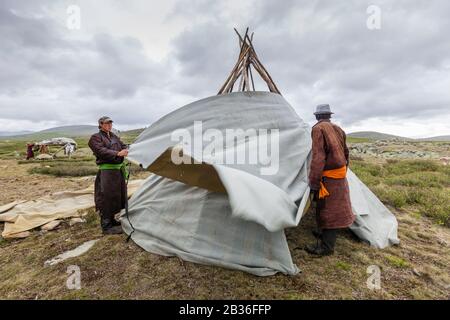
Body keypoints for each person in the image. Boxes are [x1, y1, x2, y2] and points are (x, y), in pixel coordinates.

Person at [306, 104, 355, 256]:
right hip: (339, 176)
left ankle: (327, 248)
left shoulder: (317, 129)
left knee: (329, 210)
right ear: (329, 115)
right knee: (334, 208)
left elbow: (318, 158)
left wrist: (314, 182)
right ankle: (324, 235)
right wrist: (342, 173)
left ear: (316, 116)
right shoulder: (338, 129)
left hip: (328, 177)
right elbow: (346, 153)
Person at [88, 116, 129, 235]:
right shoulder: (95, 138)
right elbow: (100, 151)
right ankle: (106, 226)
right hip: (107, 172)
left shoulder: (114, 136)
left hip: (118, 171)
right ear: (100, 124)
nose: (109, 125)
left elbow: (123, 145)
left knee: (118, 195)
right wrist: (117, 153)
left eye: (110, 123)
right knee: (107, 197)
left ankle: (113, 221)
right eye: (106, 123)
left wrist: (126, 150)